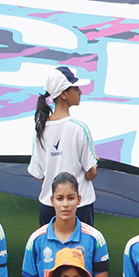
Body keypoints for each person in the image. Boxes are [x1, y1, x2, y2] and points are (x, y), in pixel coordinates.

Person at [28, 65, 98, 224]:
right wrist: (94, 164)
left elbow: (38, 175)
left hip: (49, 205)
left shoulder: (40, 130)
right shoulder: (80, 129)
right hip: (79, 206)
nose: (80, 92)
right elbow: (90, 174)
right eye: (76, 88)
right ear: (63, 94)